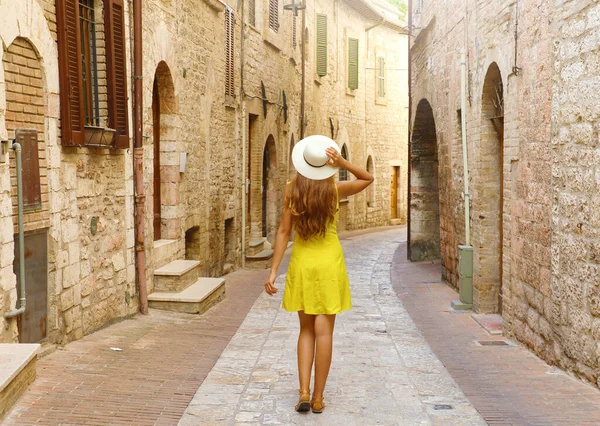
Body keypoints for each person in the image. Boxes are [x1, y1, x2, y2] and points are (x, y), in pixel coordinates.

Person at [264, 135, 374, 414]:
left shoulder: (292, 190)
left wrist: (274, 270)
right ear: (326, 165)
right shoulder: (335, 190)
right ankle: (318, 397)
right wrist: (343, 162)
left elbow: (283, 232)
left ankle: (302, 391)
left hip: (303, 263)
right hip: (329, 264)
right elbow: (367, 179)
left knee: (305, 330)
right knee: (325, 333)